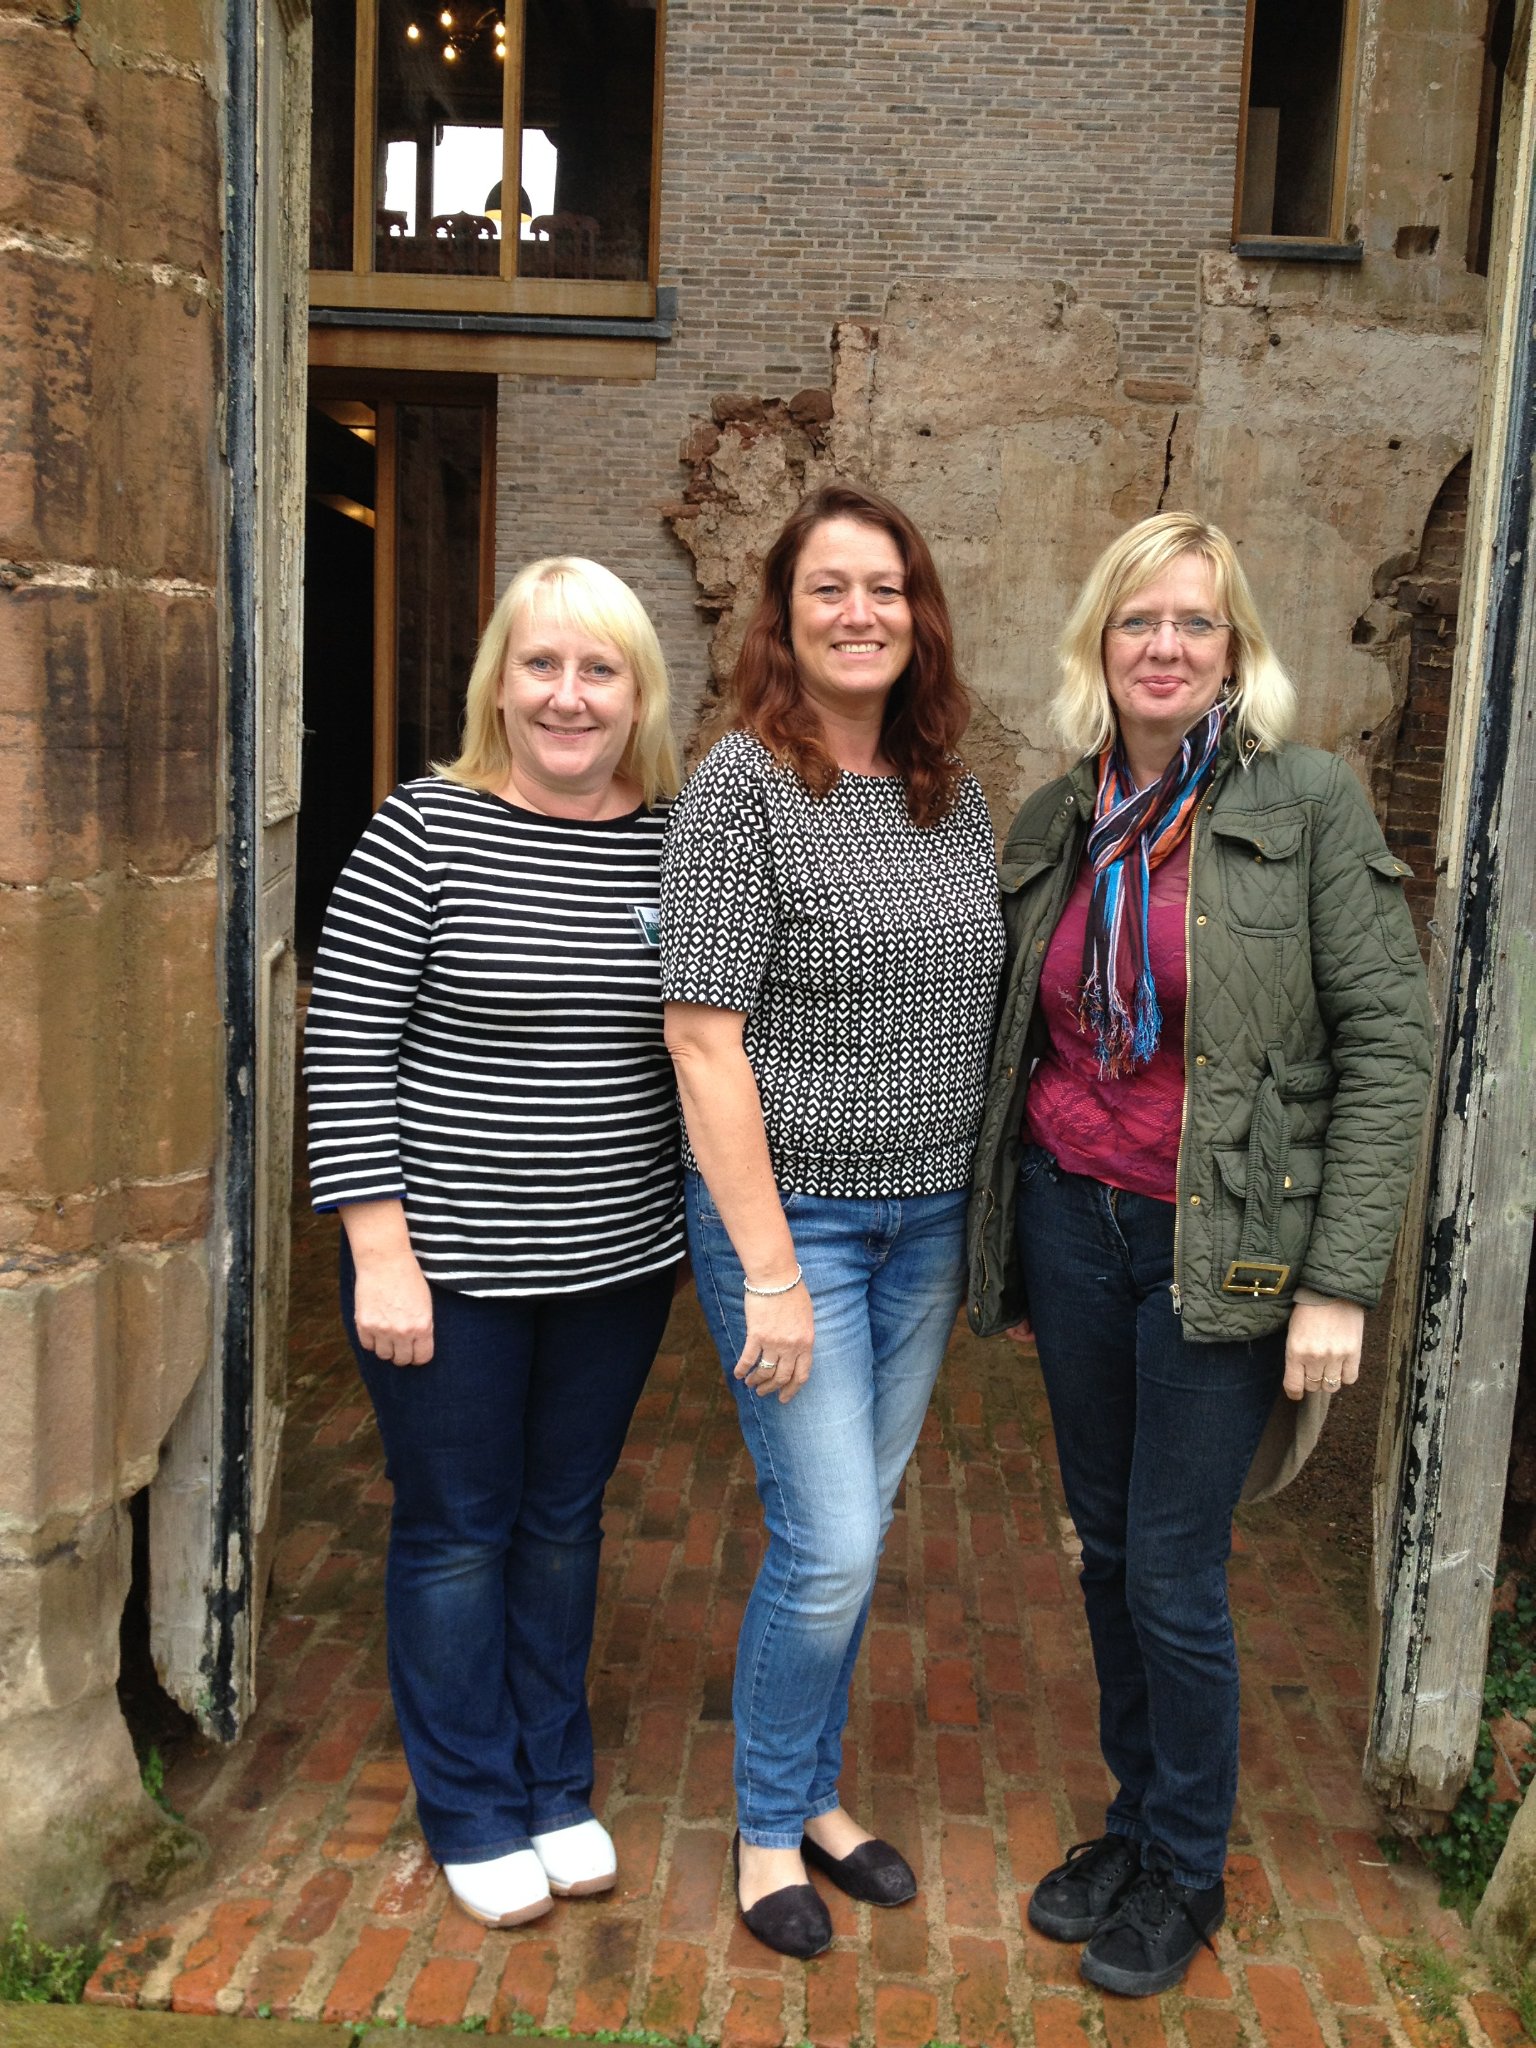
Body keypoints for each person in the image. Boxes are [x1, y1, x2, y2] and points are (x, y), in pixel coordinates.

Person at [968, 511, 1432, 1997]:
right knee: (1107, 1553)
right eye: (1137, 621)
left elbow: (1389, 1045)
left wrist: (1341, 1281)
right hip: (1075, 1220)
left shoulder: (1307, 805)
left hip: (1223, 1246)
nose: (1165, 647)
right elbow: (1014, 1037)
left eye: (1198, 623)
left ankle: (1186, 1864)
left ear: (1238, 650)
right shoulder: (1056, 816)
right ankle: (1133, 1818)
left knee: (1173, 1569)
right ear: (1097, 646)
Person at [304, 557, 683, 1929]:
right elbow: (345, 1048)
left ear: (637, 690)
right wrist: (380, 1253)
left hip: (617, 1267)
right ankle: (469, 1798)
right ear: (499, 686)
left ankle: (552, 1776)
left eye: (599, 669)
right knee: (459, 1532)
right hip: (446, 1269)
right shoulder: (426, 830)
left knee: (563, 1524)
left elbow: (705, 1043)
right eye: (541, 666)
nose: (568, 696)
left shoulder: (676, 844)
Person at [660, 480, 1005, 1959]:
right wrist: (771, 1272)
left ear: (918, 617)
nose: (859, 614)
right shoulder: (742, 785)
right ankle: (759, 1830)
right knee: (835, 1542)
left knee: (849, 1529)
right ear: (782, 622)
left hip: (926, 1221)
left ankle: (813, 1795)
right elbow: (700, 1037)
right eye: (827, 592)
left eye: (885, 589)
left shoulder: (954, 793)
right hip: (793, 1222)